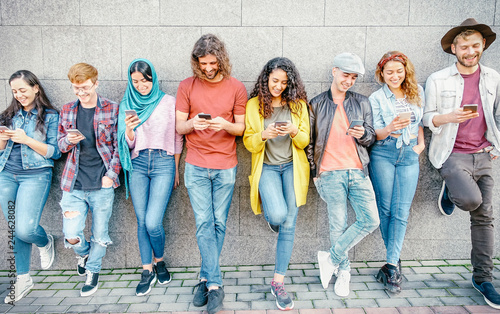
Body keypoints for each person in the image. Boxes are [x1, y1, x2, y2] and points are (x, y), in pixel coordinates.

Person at [423, 18, 500, 309]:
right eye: (464, 46)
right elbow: (426, 117)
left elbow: (498, 115)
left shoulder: (493, 77)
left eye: (475, 46)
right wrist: (447, 117)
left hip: (484, 154)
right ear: (454, 48)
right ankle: (453, 190)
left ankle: (483, 279)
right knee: (470, 200)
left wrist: (496, 146)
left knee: (485, 218)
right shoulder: (439, 79)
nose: (470, 51)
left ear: (483, 47)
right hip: (451, 152)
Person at [175, 34, 247, 314]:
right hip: (195, 164)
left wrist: (223, 125)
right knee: (204, 223)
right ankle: (215, 285)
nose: (207, 68)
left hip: (226, 165)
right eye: (202, 63)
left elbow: (240, 129)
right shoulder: (186, 86)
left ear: (221, 60)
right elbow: (180, 127)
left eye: (212, 62)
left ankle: (204, 277)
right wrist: (193, 122)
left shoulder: (236, 87)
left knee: (219, 223)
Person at [306, 53, 379, 297]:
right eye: (346, 75)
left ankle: (331, 258)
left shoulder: (362, 102)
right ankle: (344, 272)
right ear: (334, 71)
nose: (349, 81)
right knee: (337, 225)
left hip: (358, 170)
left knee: (371, 220)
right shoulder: (315, 103)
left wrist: (363, 135)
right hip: (329, 173)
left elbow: (370, 136)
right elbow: (309, 142)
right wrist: (315, 172)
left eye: (354, 77)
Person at [243, 57, 310, 310]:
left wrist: (293, 130)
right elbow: (249, 142)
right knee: (279, 214)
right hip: (268, 168)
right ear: (266, 79)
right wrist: (263, 134)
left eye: (284, 82)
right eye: (274, 81)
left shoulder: (298, 105)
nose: (279, 86)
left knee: (290, 224)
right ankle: (273, 218)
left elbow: (304, 141)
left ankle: (278, 282)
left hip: (293, 168)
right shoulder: (253, 105)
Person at [117, 59, 183, 296]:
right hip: (138, 162)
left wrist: (175, 168)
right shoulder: (127, 102)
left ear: (153, 78)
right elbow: (126, 144)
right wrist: (129, 131)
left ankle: (160, 260)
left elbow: (177, 138)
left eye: (145, 80)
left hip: (164, 163)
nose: (140, 85)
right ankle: (147, 269)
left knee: (153, 222)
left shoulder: (168, 102)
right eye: (135, 81)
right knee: (141, 219)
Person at [58, 63, 121, 297]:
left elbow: (118, 147)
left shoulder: (112, 109)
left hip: (102, 183)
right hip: (73, 183)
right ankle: (84, 254)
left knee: (100, 234)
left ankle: (93, 271)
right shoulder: (67, 110)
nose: (81, 92)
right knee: (71, 235)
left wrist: (111, 176)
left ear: (96, 83)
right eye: (76, 88)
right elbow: (60, 145)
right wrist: (70, 141)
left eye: (85, 87)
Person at [0, 70, 61, 304]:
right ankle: (23, 279)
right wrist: (3, 138)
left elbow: (55, 152)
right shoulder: (7, 115)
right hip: (6, 174)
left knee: (25, 229)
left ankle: (45, 241)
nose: (19, 95)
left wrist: (26, 139)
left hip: (35, 174)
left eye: (23, 90)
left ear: (36, 88)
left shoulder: (51, 116)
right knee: (15, 229)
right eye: (14, 91)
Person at [368, 52, 425, 293]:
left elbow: (420, 122)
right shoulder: (376, 97)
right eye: (389, 72)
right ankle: (394, 260)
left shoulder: (417, 91)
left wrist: (421, 145)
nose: (394, 76)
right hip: (383, 152)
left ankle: (391, 264)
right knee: (386, 209)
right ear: (382, 74)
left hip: (410, 154)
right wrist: (390, 127)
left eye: (399, 71)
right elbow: (374, 133)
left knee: (402, 211)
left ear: (406, 71)